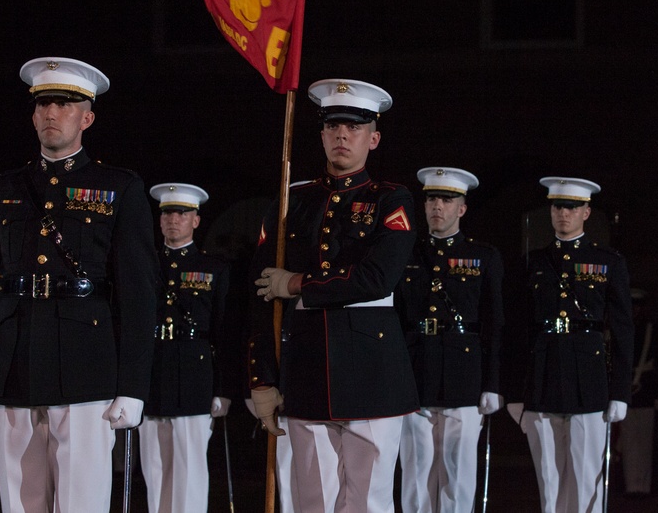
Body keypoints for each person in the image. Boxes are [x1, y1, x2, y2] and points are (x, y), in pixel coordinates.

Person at [0, 57, 159, 512]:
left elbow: (139, 295)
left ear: (88, 116)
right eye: (43, 102)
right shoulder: (4, 189)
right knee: (19, 503)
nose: (51, 112)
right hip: (12, 366)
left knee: (81, 503)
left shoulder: (117, 188)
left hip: (87, 366)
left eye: (64, 103)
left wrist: (134, 385)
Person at [248, 78, 418, 512]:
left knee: (368, 501)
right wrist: (262, 378)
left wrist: (300, 283)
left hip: (371, 374)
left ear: (373, 138)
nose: (343, 135)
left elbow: (377, 278)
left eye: (355, 126)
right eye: (334, 125)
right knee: (312, 500)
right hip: (306, 370)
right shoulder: (293, 200)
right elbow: (262, 293)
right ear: (322, 133)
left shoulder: (391, 201)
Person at [505, 177, 633, 513]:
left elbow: (622, 331)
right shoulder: (533, 262)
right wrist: (515, 391)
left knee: (587, 476)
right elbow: (517, 331)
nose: (564, 213)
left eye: (573, 207)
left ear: (586, 212)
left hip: (588, 380)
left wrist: (620, 390)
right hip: (543, 378)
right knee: (549, 479)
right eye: (558, 206)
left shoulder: (607, 262)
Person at [397, 167, 504, 513]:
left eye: (446, 199)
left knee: (457, 476)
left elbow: (494, 323)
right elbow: (396, 319)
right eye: (431, 198)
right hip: (416, 370)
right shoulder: (406, 253)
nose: (437, 206)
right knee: (415, 473)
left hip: (464, 373)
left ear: (462, 208)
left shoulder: (483, 257)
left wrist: (492, 383)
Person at [139, 182, 230, 513]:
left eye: (181, 213)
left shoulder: (214, 269)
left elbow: (224, 330)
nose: (173, 219)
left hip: (195, 376)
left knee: (190, 470)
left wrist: (223, 388)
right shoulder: (145, 265)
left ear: (196, 220)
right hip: (152, 376)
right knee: (154, 468)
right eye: (166, 213)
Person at [619, 288, 658, 497]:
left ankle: (643, 486)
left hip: (646, 390)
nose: (635, 310)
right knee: (629, 441)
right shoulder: (620, 329)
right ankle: (632, 485)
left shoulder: (653, 330)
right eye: (632, 306)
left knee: (644, 441)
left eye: (638, 306)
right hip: (626, 393)